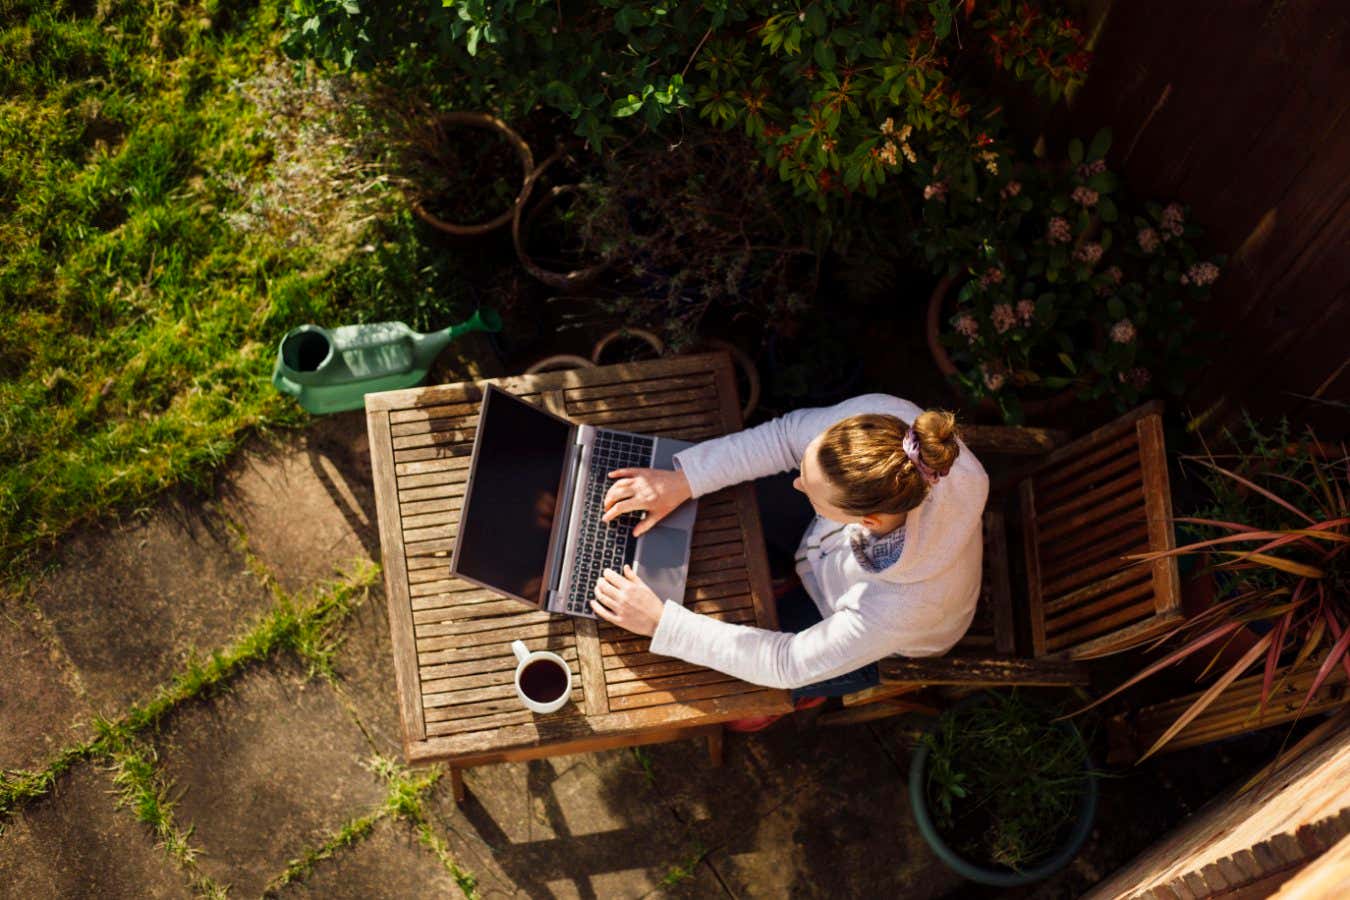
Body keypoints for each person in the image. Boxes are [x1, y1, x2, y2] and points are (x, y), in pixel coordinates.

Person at [590, 393, 989, 729]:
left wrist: (662, 624)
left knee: (736, 703)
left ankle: (810, 692)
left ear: (867, 520)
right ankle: (794, 571)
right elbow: (783, 438)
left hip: (882, 636)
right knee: (738, 501)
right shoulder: (885, 429)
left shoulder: (900, 607)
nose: (796, 483)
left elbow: (788, 661)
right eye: (804, 471)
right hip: (832, 549)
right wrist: (684, 480)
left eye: (811, 493)